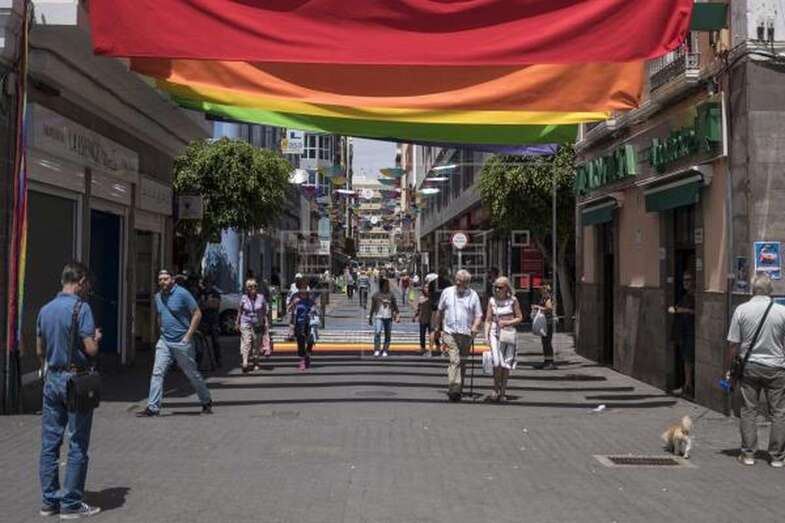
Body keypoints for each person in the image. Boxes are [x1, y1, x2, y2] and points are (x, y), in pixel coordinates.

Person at [37, 262, 102, 519]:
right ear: (81, 280)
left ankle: (49, 501)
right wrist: (95, 338)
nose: (88, 289)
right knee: (77, 443)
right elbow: (91, 350)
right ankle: (71, 504)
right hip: (75, 380)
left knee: (50, 444)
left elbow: (40, 349)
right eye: (88, 285)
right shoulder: (81, 308)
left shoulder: (45, 310)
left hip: (52, 378)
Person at [725, 273, 785, 467]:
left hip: (749, 366)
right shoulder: (781, 312)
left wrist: (729, 367)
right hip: (776, 367)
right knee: (778, 412)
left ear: (753, 290)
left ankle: (749, 454)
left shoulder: (741, 310)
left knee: (749, 410)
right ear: (770, 291)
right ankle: (776, 456)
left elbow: (733, 344)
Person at [137, 269, 213, 417]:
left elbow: (197, 313)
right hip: (165, 341)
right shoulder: (158, 297)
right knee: (157, 373)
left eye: (165, 279)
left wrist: (188, 335)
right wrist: (160, 333)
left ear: (172, 280)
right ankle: (152, 407)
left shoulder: (183, 294)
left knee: (191, 373)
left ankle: (206, 401)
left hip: (182, 342)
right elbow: (159, 315)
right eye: (160, 279)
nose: (162, 282)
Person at [433, 269, 484, 401]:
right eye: (456, 280)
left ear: (467, 283)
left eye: (460, 282)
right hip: (449, 332)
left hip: (466, 333)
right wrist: (437, 327)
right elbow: (440, 310)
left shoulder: (473, 295)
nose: (457, 283)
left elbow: (479, 315)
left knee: (462, 362)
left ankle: (458, 388)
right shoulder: (447, 292)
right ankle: (454, 389)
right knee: (455, 359)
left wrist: (474, 327)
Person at [484, 276, 524, 402]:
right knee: (496, 362)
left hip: (508, 334)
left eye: (500, 287)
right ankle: (495, 389)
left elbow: (519, 317)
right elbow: (488, 320)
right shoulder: (492, 301)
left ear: (506, 288)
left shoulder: (513, 300)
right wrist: (485, 336)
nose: (497, 290)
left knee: (506, 364)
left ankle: (502, 392)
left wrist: (507, 322)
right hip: (494, 334)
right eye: (495, 287)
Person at [669, 272, 696, 397]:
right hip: (684, 333)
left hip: (690, 333)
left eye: (688, 279)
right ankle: (687, 385)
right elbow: (674, 309)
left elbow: (695, 311)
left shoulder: (695, 296)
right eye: (684, 280)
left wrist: (681, 310)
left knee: (689, 360)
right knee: (686, 360)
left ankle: (688, 386)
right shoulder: (685, 296)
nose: (685, 282)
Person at [236, 278, 267, 373]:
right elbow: (240, 311)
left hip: (257, 323)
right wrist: (237, 322)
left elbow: (264, 311)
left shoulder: (261, 297)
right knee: (247, 341)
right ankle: (245, 362)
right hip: (245, 322)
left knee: (256, 343)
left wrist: (265, 322)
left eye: (255, 286)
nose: (253, 288)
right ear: (247, 288)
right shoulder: (244, 298)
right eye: (250, 286)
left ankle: (256, 362)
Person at [369, 278, 400, 357]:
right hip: (378, 317)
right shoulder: (376, 295)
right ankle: (377, 349)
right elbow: (372, 307)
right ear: (381, 285)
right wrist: (370, 317)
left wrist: (397, 315)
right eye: (385, 284)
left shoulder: (391, 294)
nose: (387, 286)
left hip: (388, 317)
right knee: (377, 333)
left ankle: (385, 350)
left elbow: (395, 306)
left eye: (387, 285)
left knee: (387, 334)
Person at [289, 280, 316, 371]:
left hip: (309, 322)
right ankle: (302, 360)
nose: (303, 289)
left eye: (305, 288)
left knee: (311, 341)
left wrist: (313, 309)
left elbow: (314, 306)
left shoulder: (310, 296)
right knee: (300, 342)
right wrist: (293, 303)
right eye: (301, 288)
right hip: (298, 323)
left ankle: (307, 354)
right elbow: (288, 309)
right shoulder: (295, 296)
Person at [198, 277, 222, 369]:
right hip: (202, 321)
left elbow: (215, 305)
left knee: (215, 341)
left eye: (209, 282)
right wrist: (206, 304)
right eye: (206, 282)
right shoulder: (201, 292)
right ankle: (198, 361)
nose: (208, 284)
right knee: (199, 343)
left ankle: (218, 360)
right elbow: (198, 306)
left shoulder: (215, 293)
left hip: (213, 321)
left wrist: (205, 304)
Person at [532, 285, 557, 370]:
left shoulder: (547, 298)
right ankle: (547, 361)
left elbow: (549, 308)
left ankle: (550, 362)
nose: (540, 290)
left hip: (547, 322)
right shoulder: (544, 298)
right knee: (545, 342)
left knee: (547, 342)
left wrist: (538, 307)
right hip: (546, 322)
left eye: (542, 289)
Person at [414, 284, 434, 357]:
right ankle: (423, 348)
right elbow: (418, 308)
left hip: (431, 318)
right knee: (422, 334)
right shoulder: (421, 298)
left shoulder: (432, 297)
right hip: (422, 318)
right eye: (425, 287)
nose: (426, 289)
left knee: (431, 334)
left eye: (428, 287)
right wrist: (415, 316)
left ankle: (433, 348)